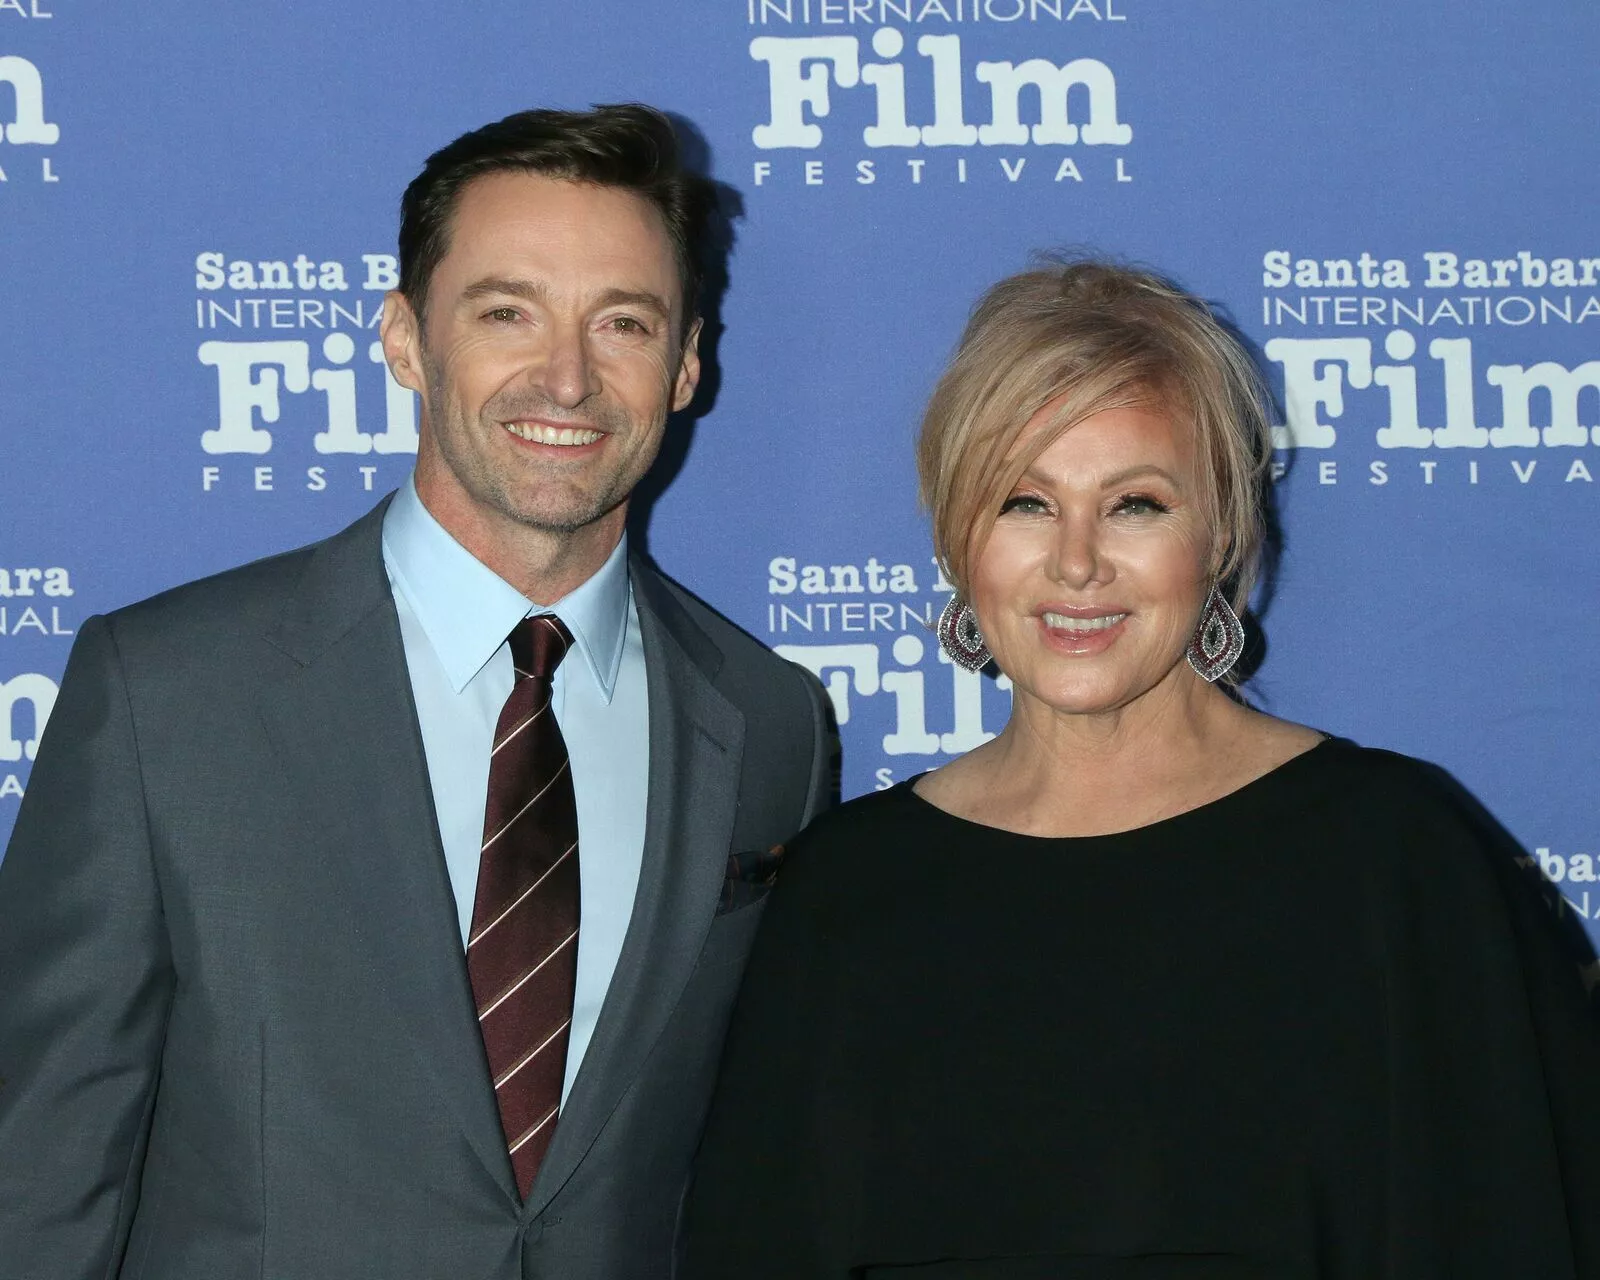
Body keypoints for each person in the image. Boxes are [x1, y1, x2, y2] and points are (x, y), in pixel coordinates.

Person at [0, 105, 831, 1280]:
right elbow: (38, 1178)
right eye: (506, 312)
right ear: (404, 339)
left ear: (686, 362)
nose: (567, 377)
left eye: (623, 322)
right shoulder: (166, 695)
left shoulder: (768, 721)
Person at [681, 258, 1600, 1280]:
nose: (1077, 562)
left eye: (1135, 504)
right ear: (956, 538)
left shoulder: (1396, 857)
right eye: (1025, 502)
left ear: (1220, 535)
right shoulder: (846, 889)